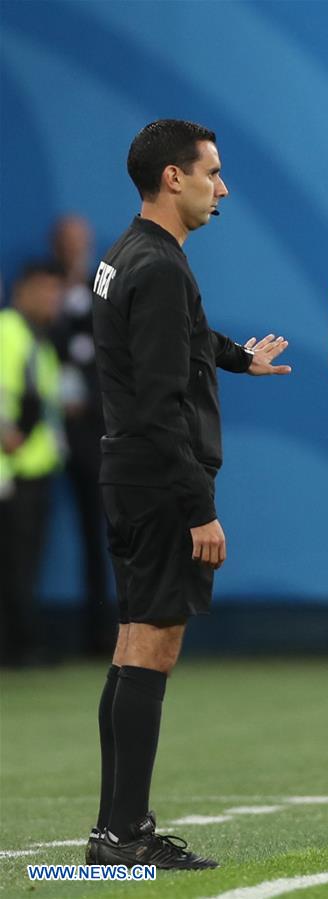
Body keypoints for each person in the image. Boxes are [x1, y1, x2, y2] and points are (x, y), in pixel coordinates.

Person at [89, 119, 291, 870]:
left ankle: (116, 829)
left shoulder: (128, 253)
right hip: (158, 483)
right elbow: (160, 401)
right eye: (212, 172)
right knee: (151, 646)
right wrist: (199, 505)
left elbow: (175, 338)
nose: (223, 187)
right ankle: (123, 838)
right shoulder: (164, 266)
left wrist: (237, 358)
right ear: (173, 177)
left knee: (131, 646)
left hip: (128, 475)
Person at [50, 214, 113, 654]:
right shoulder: (41, 286)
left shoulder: (103, 284)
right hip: (49, 429)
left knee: (108, 532)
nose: (74, 246)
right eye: (66, 240)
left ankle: (106, 635)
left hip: (96, 429)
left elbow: (113, 343)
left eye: (80, 239)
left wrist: (88, 395)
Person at [0, 263, 64, 666]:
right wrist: (10, 434)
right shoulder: (9, 331)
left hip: (34, 466)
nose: (52, 301)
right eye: (46, 291)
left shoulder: (36, 336)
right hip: (14, 468)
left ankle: (20, 643)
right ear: (24, 290)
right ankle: (19, 647)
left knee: (23, 562)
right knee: (15, 564)